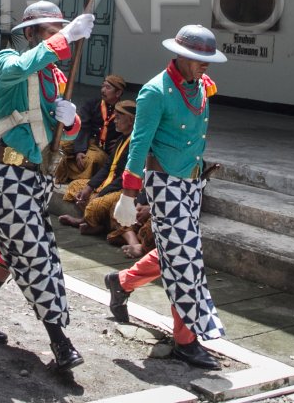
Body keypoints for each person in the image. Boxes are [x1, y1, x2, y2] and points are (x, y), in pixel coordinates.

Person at [0, 1, 94, 371]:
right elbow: (22, 65)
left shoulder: (57, 78)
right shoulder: (6, 61)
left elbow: (61, 136)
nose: (56, 36)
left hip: (41, 177)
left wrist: (73, 121)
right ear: (30, 33)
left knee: (11, 248)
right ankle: (60, 341)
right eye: (49, 30)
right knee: (36, 255)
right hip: (13, 176)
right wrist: (66, 38)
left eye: (58, 30)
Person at [108, 24, 228, 370]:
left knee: (175, 252)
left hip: (190, 181)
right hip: (164, 182)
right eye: (197, 58)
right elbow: (139, 144)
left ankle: (122, 281)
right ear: (179, 55)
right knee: (186, 260)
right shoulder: (155, 92)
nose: (205, 65)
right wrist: (128, 195)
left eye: (207, 58)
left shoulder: (199, 86)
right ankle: (186, 341)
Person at [59, 99, 136, 236]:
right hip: (108, 183)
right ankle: (94, 222)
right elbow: (107, 167)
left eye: (118, 118)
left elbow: (124, 178)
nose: (115, 121)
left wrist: (100, 193)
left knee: (96, 204)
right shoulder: (121, 139)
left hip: (122, 188)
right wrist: (89, 187)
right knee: (75, 186)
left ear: (130, 120)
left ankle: (88, 221)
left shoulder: (136, 144)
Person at [54, 74, 125, 184]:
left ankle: (79, 182)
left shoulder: (123, 111)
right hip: (84, 140)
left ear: (118, 93)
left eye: (108, 88)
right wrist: (80, 150)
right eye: (103, 86)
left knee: (92, 160)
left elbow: (129, 132)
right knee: (58, 145)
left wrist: (120, 141)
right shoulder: (92, 104)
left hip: (99, 148)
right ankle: (56, 174)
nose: (103, 90)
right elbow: (83, 127)